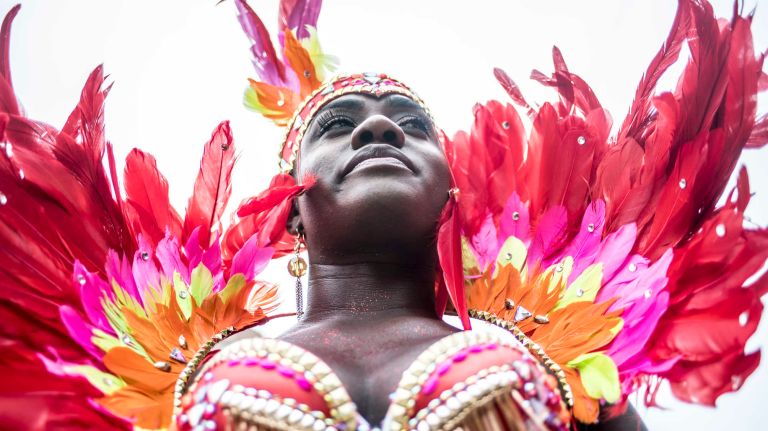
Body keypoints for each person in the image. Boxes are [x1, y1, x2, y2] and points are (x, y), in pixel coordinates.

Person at [0, 0, 765, 430]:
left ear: (449, 194)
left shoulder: (566, 366)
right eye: (336, 126)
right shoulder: (169, 378)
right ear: (289, 213)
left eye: (409, 121)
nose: (378, 127)